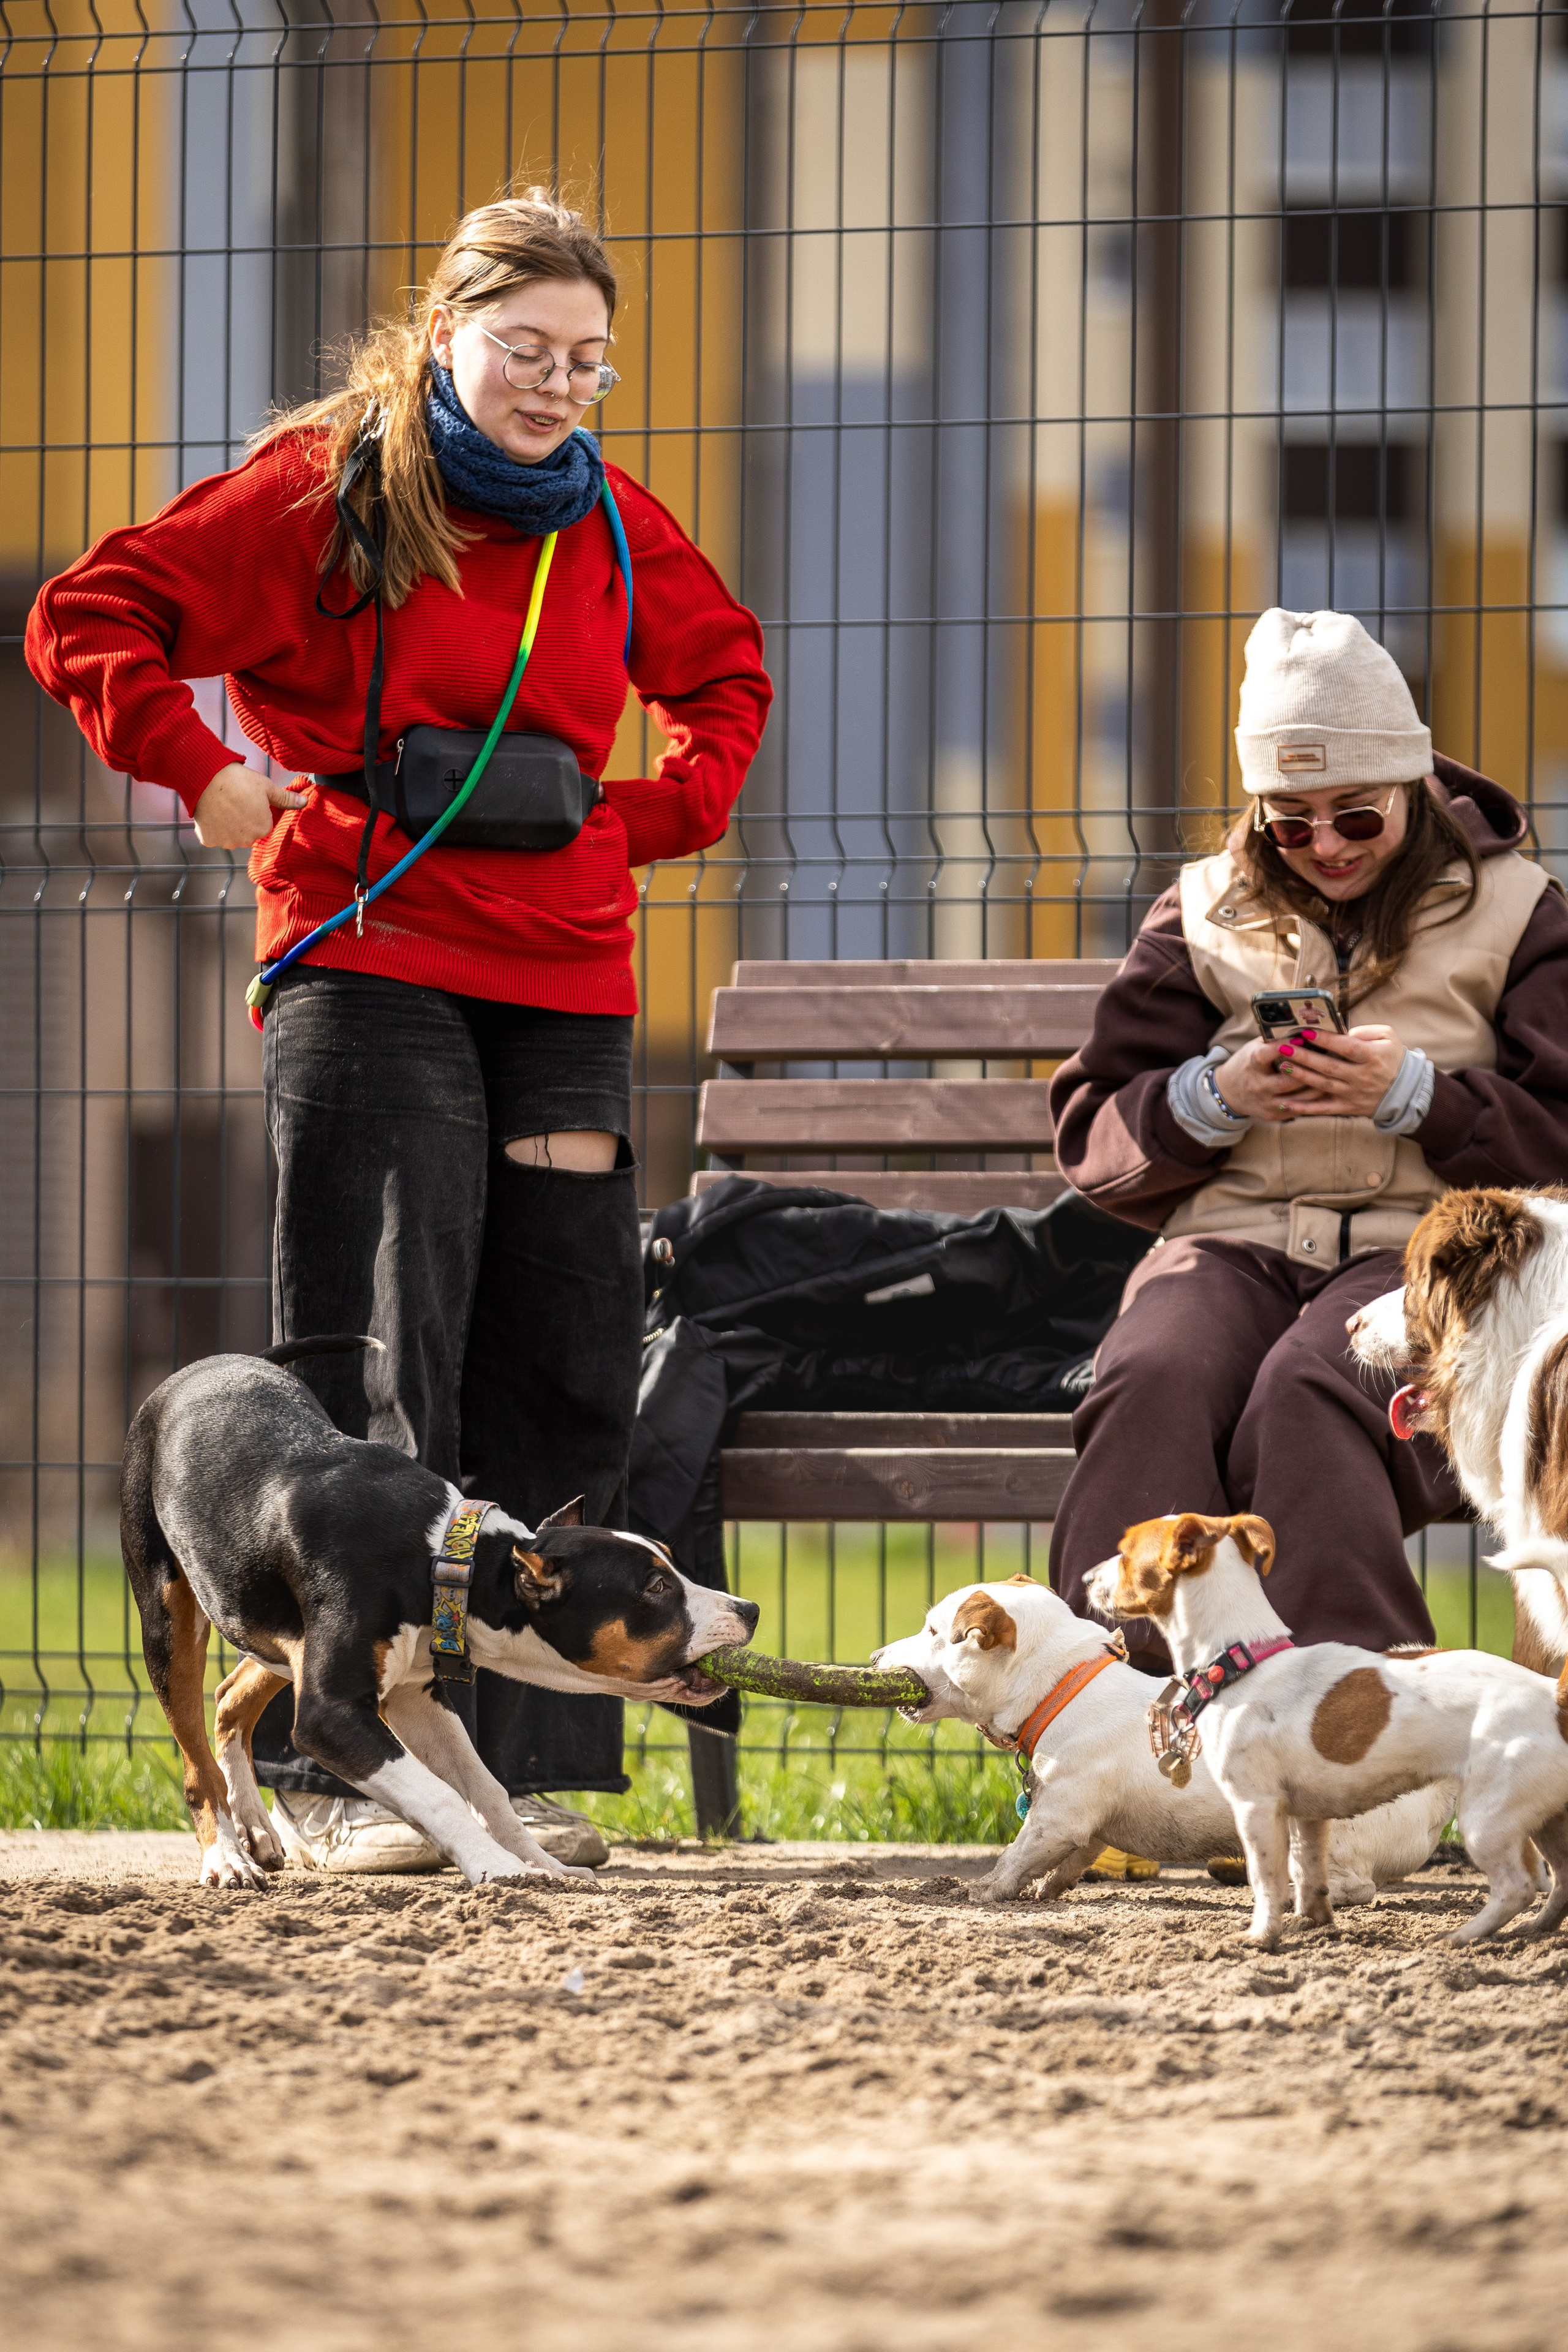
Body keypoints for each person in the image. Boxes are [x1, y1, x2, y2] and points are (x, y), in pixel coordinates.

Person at [28, 192, 772, 1867]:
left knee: (567, 1350)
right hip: (366, 946)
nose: (560, 385)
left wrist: (651, 819)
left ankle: (529, 1783)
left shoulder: (616, 521)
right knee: (376, 1357)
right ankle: (338, 1772)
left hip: (569, 970)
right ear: (445, 332)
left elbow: (724, 680)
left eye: (590, 360)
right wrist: (206, 774)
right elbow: (89, 615)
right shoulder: (318, 490)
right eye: (527, 349)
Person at [1048, 608, 1568, 1671]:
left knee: (1311, 1389)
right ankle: (1110, 1740)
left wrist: (1424, 1098)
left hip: (1419, 1259)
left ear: (1414, 790)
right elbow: (1094, 1122)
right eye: (1290, 822)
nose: (1324, 845)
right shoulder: (1200, 911)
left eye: (1355, 817)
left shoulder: (1522, 911)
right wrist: (1212, 1099)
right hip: (1229, 1244)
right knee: (1154, 1378)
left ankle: (1360, 1749)